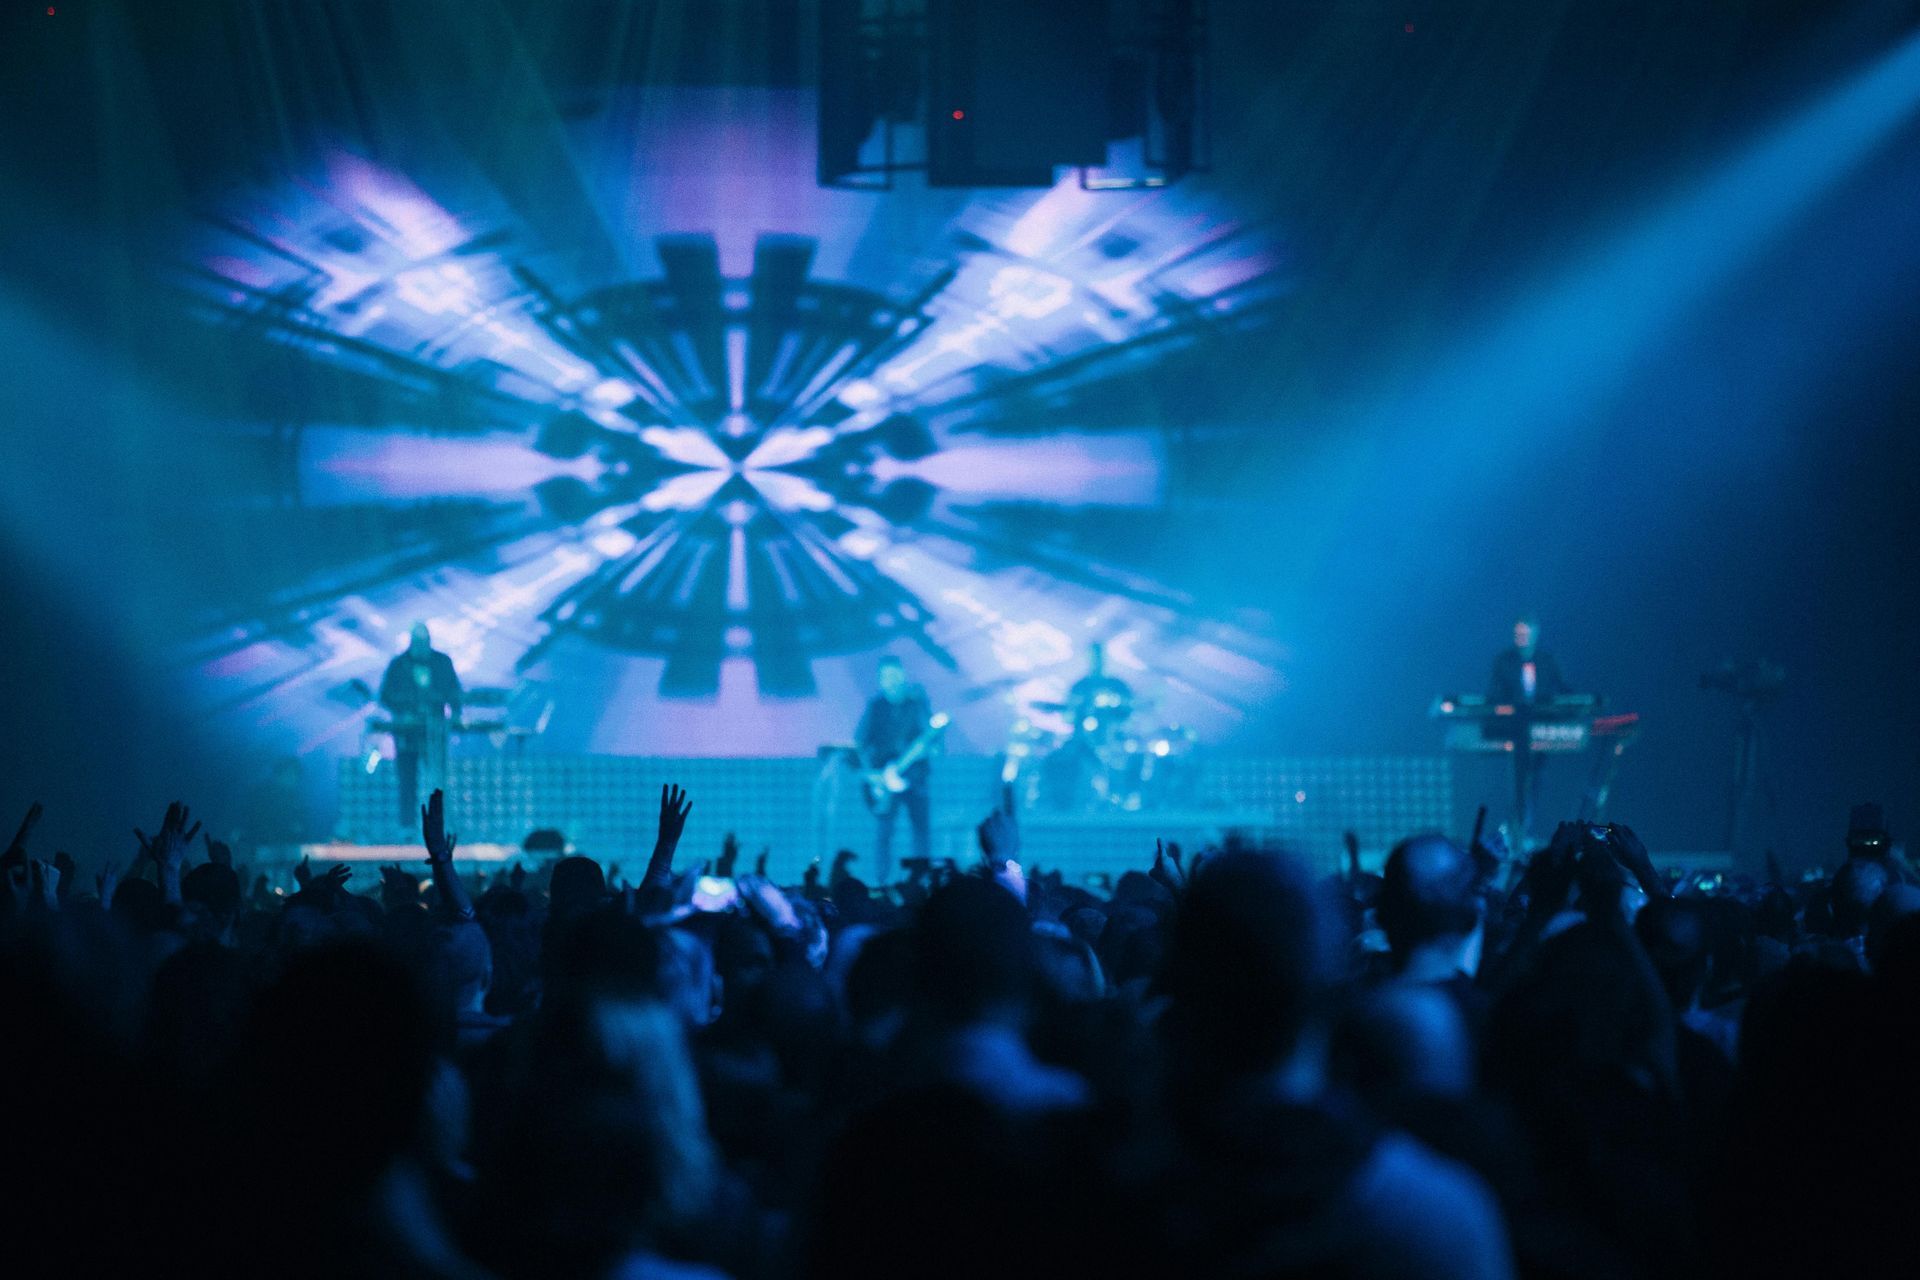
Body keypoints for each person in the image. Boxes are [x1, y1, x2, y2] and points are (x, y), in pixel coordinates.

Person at [1487, 615, 1567, 842]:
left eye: (1525, 634)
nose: (1521, 639)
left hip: (1541, 725)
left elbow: (1562, 689)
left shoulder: (1546, 660)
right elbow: (1493, 694)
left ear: (1534, 635)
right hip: (1515, 728)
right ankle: (1518, 828)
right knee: (1517, 780)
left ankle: (1528, 827)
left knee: (1536, 777)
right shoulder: (1503, 661)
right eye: (1517, 634)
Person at [854, 656, 933, 884]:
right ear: (880, 680)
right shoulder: (876, 707)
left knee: (921, 831)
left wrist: (927, 750)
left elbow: (931, 740)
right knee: (884, 834)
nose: (892, 681)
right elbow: (860, 744)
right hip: (884, 780)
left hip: (916, 778)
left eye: (896, 675)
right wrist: (872, 776)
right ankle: (881, 881)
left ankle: (922, 881)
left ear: (903, 676)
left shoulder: (917, 704)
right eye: (887, 677)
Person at [378, 622, 463, 828]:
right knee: (407, 781)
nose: (421, 646)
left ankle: (439, 826)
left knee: (438, 780)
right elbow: (385, 696)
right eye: (418, 642)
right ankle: (406, 827)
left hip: (435, 732)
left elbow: (455, 692)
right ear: (411, 642)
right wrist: (404, 709)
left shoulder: (442, 662)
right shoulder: (398, 665)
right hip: (407, 734)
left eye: (425, 642)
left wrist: (455, 715)